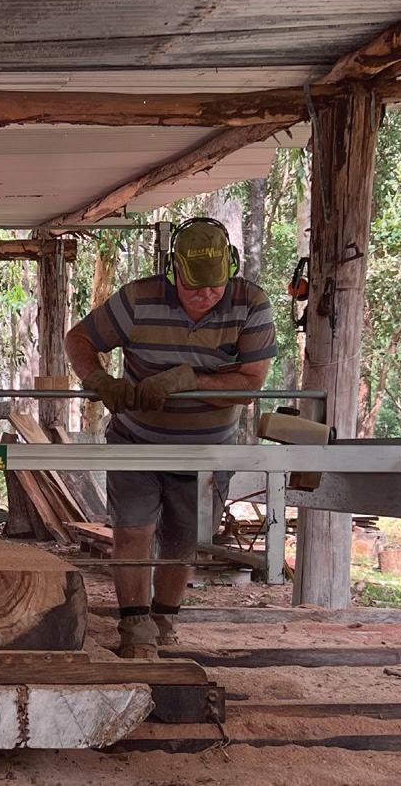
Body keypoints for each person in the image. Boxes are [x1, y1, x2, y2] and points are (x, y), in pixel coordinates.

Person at [64, 218, 276, 658]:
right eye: (193, 286)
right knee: (133, 530)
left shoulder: (251, 304)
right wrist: (98, 379)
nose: (205, 294)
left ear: (231, 268)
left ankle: (165, 620)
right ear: (173, 270)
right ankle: (134, 625)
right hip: (137, 439)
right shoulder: (139, 299)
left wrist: (189, 380)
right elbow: (79, 338)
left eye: (215, 285)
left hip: (207, 448)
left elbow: (251, 383)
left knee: (184, 538)